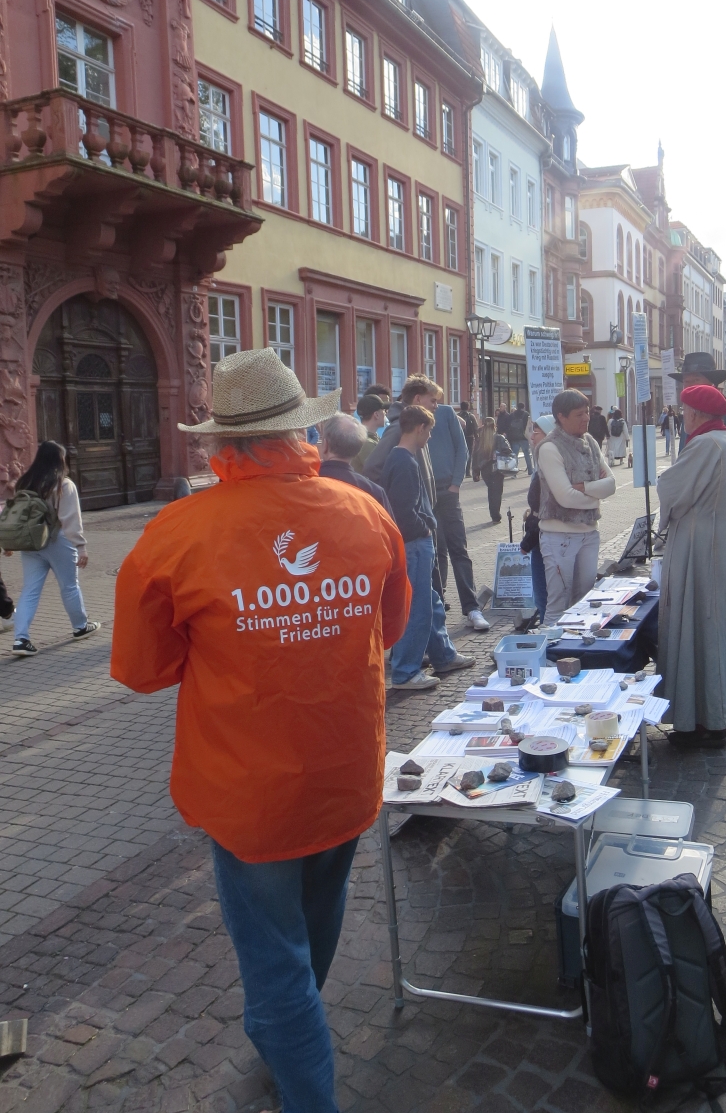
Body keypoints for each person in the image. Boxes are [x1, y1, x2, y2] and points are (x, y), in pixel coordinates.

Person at [110, 348, 410, 1113]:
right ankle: (285, 1032)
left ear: (220, 445)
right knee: (310, 928)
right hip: (344, 772)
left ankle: (299, 1070)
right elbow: (391, 626)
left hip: (249, 791)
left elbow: (143, 669)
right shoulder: (365, 510)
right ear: (299, 431)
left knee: (275, 964)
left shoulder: (177, 533)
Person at [655, 384, 726, 749]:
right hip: (721, 546)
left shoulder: (704, 445)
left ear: (695, 414)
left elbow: (672, 489)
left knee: (696, 626)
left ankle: (702, 718)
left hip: (698, 548)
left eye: (684, 412)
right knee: (718, 626)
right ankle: (717, 714)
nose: (682, 419)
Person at [382, 406, 475, 687]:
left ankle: (443, 655)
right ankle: (406, 670)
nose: (431, 436)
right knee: (419, 607)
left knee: (432, 602)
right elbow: (405, 511)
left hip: (416, 543)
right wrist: (426, 526)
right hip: (414, 544)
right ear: (420, 428)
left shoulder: (400, 458)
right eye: (430, 430)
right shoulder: (405, 462)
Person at [6, 441, 100, 657]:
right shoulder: (63, 485)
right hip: (58, 541)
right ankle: (80, 626)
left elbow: (16, 514)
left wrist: (9, 542)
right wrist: (81, 546)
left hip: (30, 543)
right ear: (60, 460)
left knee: (29, 590)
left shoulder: (24, 482)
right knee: (69, 586)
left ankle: (21, 639)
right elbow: (69, 520)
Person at [537, 390, 616, 624]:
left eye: (587, 413)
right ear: (561, 416)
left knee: (584, 601)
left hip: (589, 533)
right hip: (559, 535)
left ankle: (576, 653)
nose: (586, 419)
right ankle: (551, 655)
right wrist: (595, 493)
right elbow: (566, 498)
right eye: (579, 414)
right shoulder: (549, 447)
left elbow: (611, 484)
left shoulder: (590, 441)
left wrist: (585, 487)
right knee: (558, 604)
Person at [670, 352, 726, 540]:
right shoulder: (689, 415)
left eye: (696, 379)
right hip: (695, 514)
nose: (690, 385)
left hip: (725, 513)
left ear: (712, 384)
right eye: (686, 381)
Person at [426, 387, 489, 630]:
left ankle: (472, 608)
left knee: (458, 549)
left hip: (447, 490)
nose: (435, 403)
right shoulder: (411, 419)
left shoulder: (445, 414)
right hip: (426, 493)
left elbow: (462, 449)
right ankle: (438, 605)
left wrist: (456, 483)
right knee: (434, 551)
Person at [319, 414, 392, 515]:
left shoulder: (306, 484)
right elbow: (390, 529)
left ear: (325, 445)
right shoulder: (375, 492)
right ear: (357, 451)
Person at [520, 416, 555, 623]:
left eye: (536, 432)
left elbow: (545, 509)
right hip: (540, 538)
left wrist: (528, 541)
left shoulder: (547, 465)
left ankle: (548, 641)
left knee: (544, 598)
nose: (532, 436)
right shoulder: (540, 461)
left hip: (542, 539)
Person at [472, 417, 512, 523]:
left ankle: (494, 514)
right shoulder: (499, 438)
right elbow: (508, 450)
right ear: (494, 426)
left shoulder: (480, 439)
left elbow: (475, 456)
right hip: (497, 469)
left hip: (485, 470)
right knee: (497, 492)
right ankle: (495, 514)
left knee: (491, 491)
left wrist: (475, 472)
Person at [351, 395, 387, 472]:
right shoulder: (366, 443)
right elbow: (381, 472)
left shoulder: (368, 438)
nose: (385, 414)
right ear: (376, 415)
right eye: (383, 411)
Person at [508, 401, 534, 474]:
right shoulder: (526, 414)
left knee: (514, 455)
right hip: (524, 437)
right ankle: (530, 470)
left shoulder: (512, 415)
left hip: (515, 438)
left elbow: (509, 426)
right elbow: (529, 426)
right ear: (523, 407)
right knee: (526, 454)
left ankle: (513, 472)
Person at [459, 401, 479, 477]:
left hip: (460, 437)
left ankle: (461, 471)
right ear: (468, 407)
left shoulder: (458, 415)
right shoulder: (471, 416)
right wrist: (477, 437)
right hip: (469, 437)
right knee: (469, 454)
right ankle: (467, 472)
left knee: (460, 453)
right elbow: (475, 428)